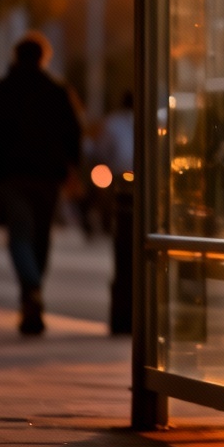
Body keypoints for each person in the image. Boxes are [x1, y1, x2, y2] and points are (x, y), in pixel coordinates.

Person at [0, 33, 83, 334]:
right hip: (48, 177)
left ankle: (31, 289)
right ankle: (33, 289)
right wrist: (72, 168)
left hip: (13, 175)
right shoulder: (56, 91)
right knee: (41, 237)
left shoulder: (0, 91)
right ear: (43, 58)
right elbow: (73, 133)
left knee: (20, 235)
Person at [94, 90, 135, 334]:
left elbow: (103, 152)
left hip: (119, 180)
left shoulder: (112, 123)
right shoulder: (155, 120)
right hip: (130, 182)